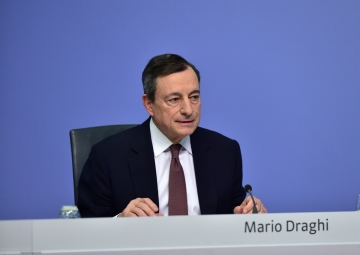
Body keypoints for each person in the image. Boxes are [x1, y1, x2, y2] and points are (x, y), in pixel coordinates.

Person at [78, 53, 267, 217]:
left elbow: (232, 220)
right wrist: (121, 221)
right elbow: (88, 229)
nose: (188, 110)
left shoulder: (225, 151)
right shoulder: (107, 157)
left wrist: (246, 215)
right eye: (174, 100)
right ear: (149, 104)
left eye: (194, 97)